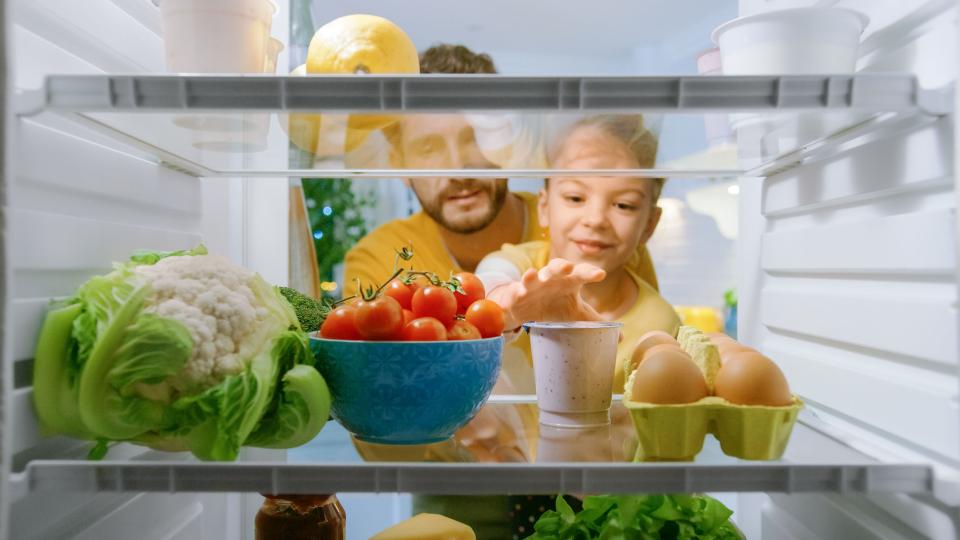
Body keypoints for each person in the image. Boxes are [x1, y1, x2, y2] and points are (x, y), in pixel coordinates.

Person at [341, 44, 660, 297]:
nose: (459, 170)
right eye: (428, 148)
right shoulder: (379, 260)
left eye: (476, 138)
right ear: (398, 162)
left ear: (508, 143)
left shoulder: (593, 237)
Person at [477, 114, 681, 392]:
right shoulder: (521, 264)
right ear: (544, 208)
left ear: (649, 225)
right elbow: (491, 279)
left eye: (623, 205)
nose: (595, 219)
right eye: (575, 198)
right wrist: (505, 304)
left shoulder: (660, 321)